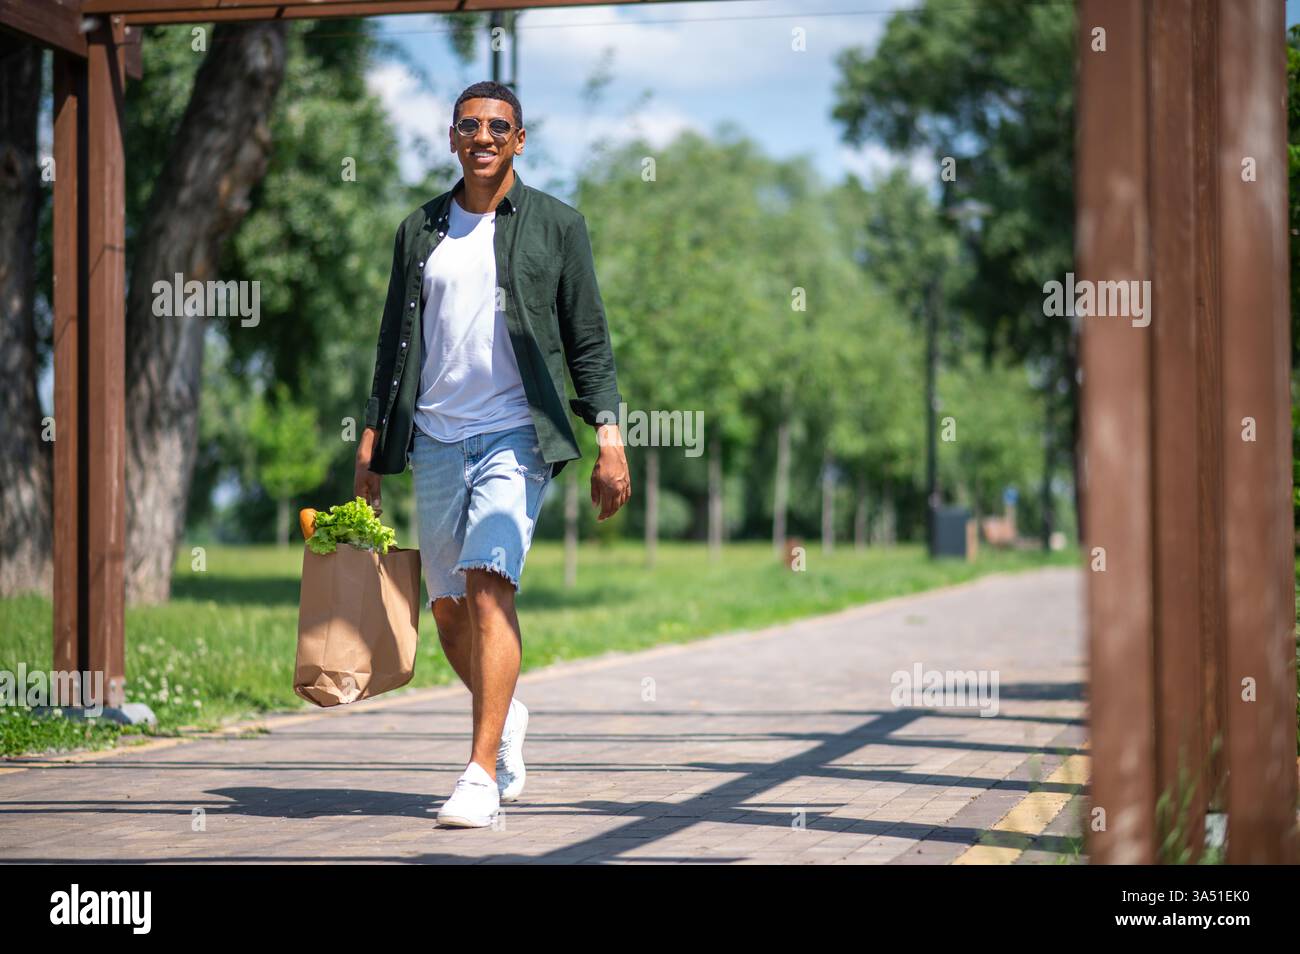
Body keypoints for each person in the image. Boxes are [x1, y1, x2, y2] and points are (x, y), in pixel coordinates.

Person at [354, 81, 631, 828]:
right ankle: (505, 720)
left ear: (519, 139)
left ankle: (478, 775)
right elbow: (392, 344)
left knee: (487, 582)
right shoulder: (419, 230)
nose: (483, 136)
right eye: (470, 125)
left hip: (518, 433)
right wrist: (371, 444)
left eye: (497, 127)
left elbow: (589, 341)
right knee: (446, 611)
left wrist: (610, 439)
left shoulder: (557, 226)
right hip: (437, 436)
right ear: (452, 137)